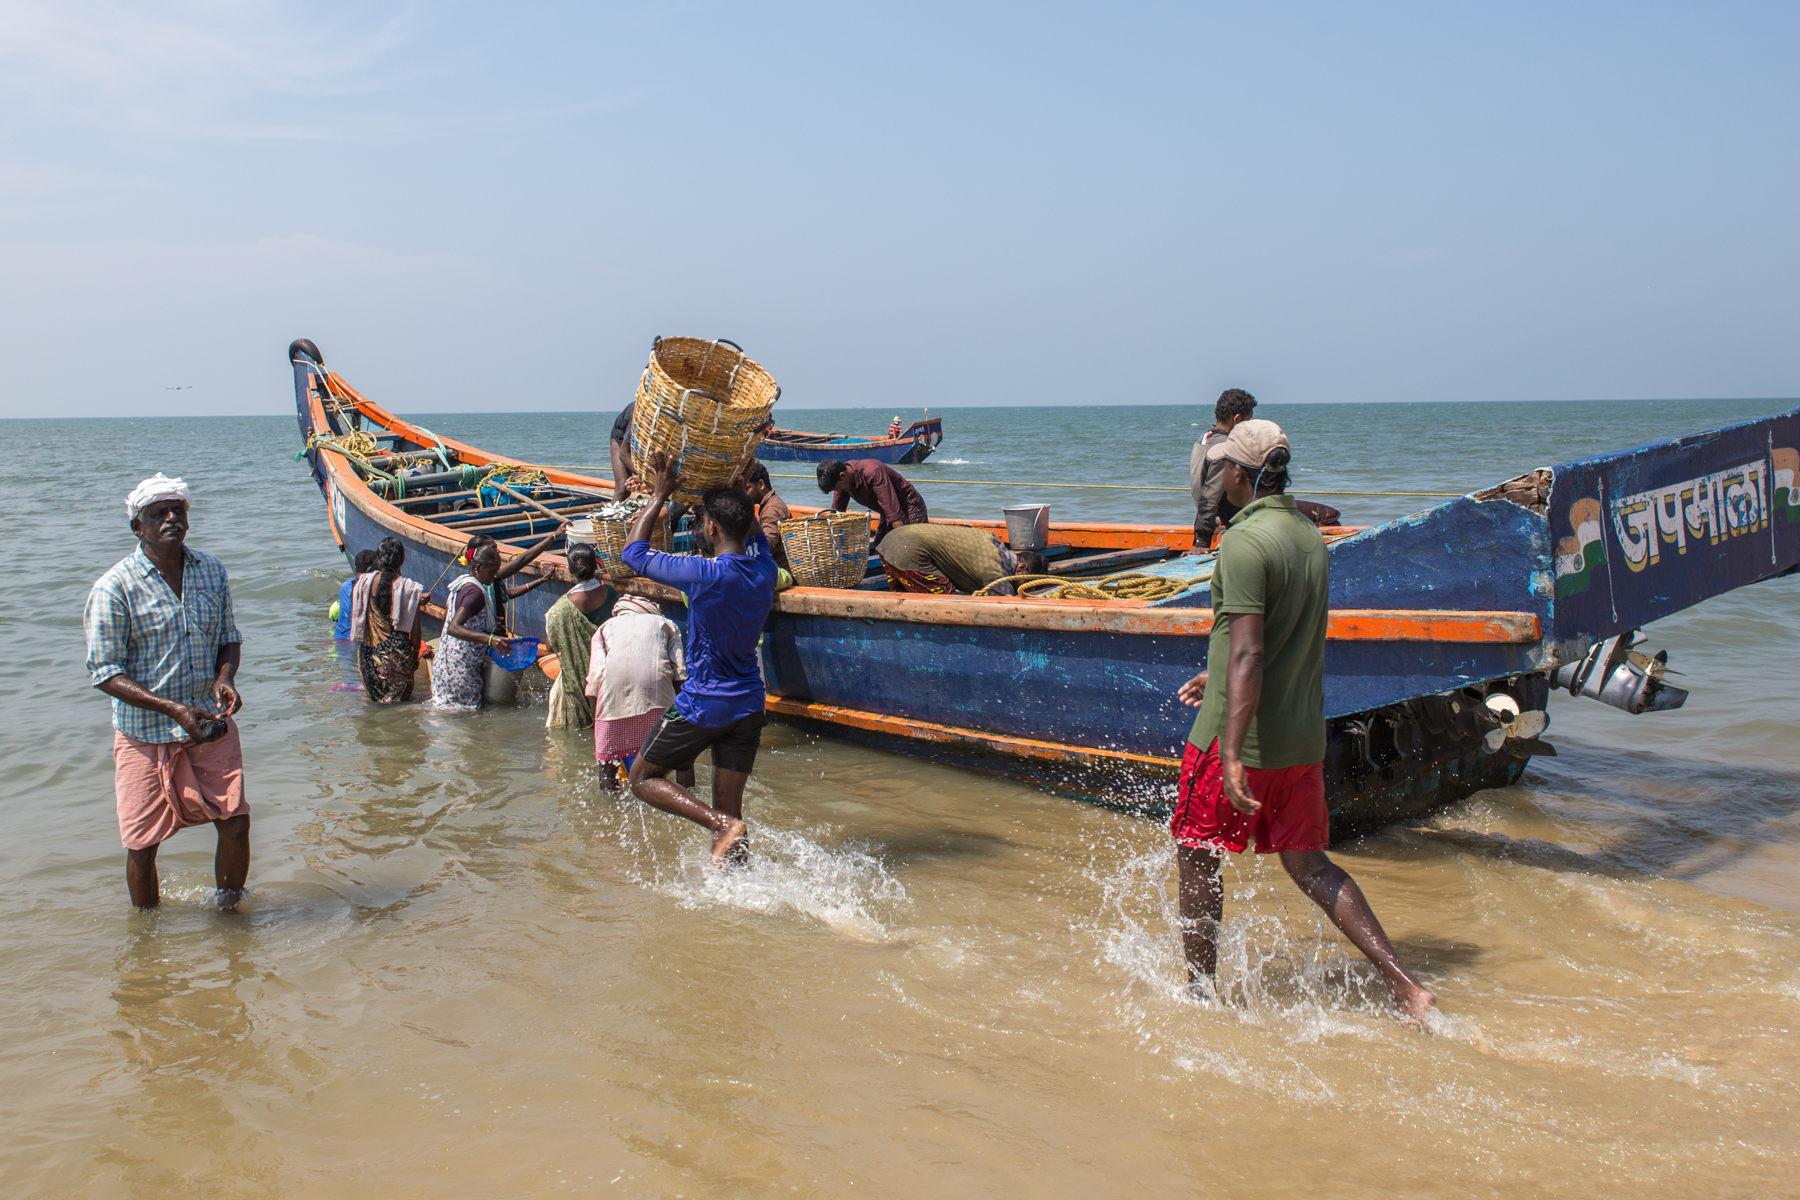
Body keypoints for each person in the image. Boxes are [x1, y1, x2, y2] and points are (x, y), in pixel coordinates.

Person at [1171, 420, 1435, 1020]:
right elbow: (1284, 632)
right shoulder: (1308, 537)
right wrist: (1219, 668)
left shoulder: (1242, 543)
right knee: (1310, 864)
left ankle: (1198, 995)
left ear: (1240, 473)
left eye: (1224, 465)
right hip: (1302, 739)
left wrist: (1232, 750)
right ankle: (1406, 987)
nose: (1218, 473)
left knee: (1196, 854)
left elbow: (1251, 651)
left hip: (1236, 738)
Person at [84, 474, 249, 910]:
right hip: (144, 734)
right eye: (159, 514)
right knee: (142, 843)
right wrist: (172, 709)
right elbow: (105, 673)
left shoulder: (211, 570)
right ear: (138, 527)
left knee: (235, 822)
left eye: (178, 510)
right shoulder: (114, 587)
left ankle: (231, 914)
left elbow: (229, 636)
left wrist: (225, 678)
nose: (172, 518)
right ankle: (147, 936)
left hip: (210, 721)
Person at [623, 452, 779, 863]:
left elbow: (633, 554)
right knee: (732, 809)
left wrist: (658, 497)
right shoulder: (763, 569)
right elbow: (750, 528)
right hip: (748, 702)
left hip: (706, 702)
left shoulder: (704, 574)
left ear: (709, 527)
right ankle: (738, 889)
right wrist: (742, 488)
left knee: (640, 778)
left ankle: (719, 826)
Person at [429, 534, 558, 709]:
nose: (494, 577)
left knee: (447, 711)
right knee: (466, 718)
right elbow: (453, 627)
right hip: (461, 668)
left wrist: (486, 622)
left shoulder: (461, 584)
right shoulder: (476, 593)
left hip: (446, 664)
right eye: (492, 572)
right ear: (479, 568)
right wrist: (490, 639)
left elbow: (449, 620)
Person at [585, 592, 688, 786]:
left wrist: (599, 729)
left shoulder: (605, 628)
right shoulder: (665, 624)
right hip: (659, 702)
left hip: (612, 706)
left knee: (608, 765)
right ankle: (689, 796)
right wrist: (683, 722)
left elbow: (594, 682)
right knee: (681, 757)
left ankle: (608, 807)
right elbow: (680, 675)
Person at [542, 543, 615, 728]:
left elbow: (551, 647)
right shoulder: (611, 594)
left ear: (570, 569)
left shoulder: (561, 608)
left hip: (578, 681)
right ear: (596, 566)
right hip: (610, 675)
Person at [350, 536, 425, 703]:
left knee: (375, 708)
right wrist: (413, 657)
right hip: (399, 659)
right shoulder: (409, 588)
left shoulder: (363, 583)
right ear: (402, 560)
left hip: (368, 658)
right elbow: (415, 631)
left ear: (378, 558)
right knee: (402, 710)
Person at [877, 524, 1046, 595]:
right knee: (945, 603)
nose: (1026, 589)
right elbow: (1005, 603)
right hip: (908, 551)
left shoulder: (992, 541)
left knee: (903, 596)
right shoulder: (996, 571)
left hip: (888, 544)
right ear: (1021, 568)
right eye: (1029, 584)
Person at [1188, 388, 1258, 553]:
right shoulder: (1225, 446)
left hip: (1219, 514)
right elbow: (1210, 495)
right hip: (1233, 516)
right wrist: (1202, 542)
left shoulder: (1205, 438)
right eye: (1247, 421)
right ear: (1237, 419)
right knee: (1322, 514)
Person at [816, 458, 928, 546]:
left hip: (909, 504)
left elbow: (891, 509)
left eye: (838, 488)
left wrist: (906, 542)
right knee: (881, 545)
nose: (838, 492)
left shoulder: (873, 471)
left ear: (843, 475)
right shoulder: (843, 483)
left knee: (914, 545)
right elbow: (836, 512)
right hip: (887, 511)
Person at [739, 461, 792, 570]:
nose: (743, 494)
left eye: (747, 488)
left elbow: (767, 543)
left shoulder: (771, 509)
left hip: (780, 570)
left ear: (761, 485)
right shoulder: (772, 503)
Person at [332, 548, 377, 638]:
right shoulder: (372, 586)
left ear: (356, 569)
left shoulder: (346, 586)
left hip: (339, 638)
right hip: (358, 640)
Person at [609, 401, 636, 497]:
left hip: (644, 441)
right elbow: (623, 454)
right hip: (620, 438)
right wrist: (645, 477)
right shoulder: (636, 416)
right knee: (622, 490)